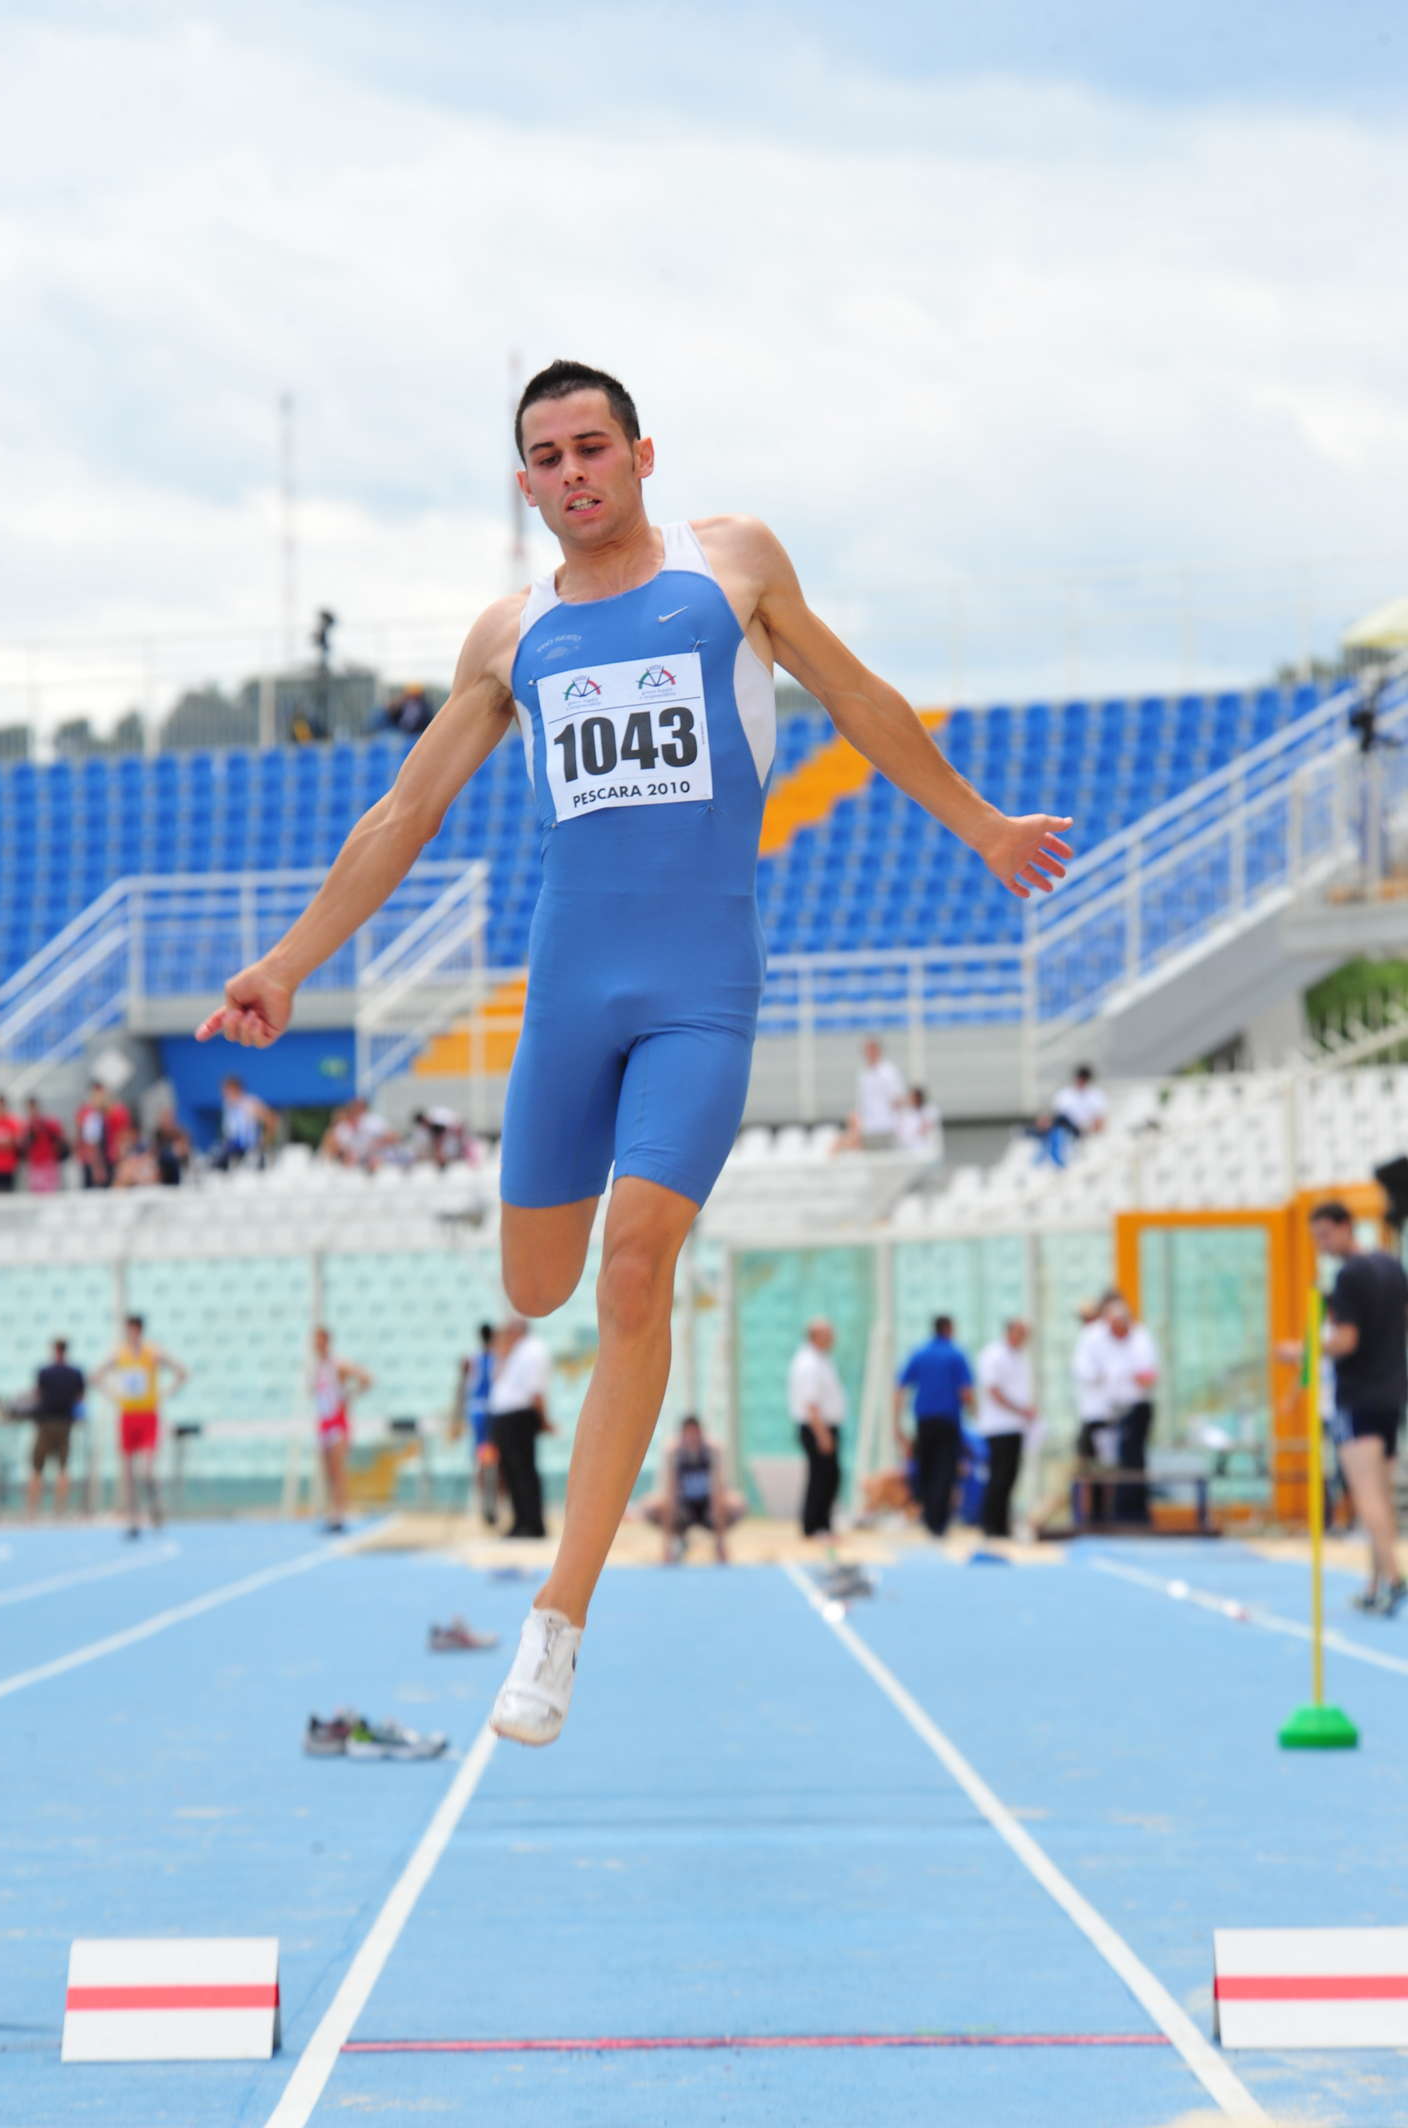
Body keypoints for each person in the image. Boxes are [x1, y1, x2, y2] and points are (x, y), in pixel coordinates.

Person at [193, 357, 1072, 1746]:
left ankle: (559, 1618)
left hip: (698, 993)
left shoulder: (733, 569)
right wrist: (288, 963)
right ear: (525, 484)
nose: (574, 472)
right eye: (547, 457)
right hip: (568, 999)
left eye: (593, 446)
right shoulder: (513, 636)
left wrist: (982, 826)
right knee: (535, 1286)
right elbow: (403, 814)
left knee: (637, 1263)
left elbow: (859, 698)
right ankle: (564, 1544)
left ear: (642, 455)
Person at [1283, 1200, 1408, 1614]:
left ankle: (1393, 1577)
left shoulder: (1350, 1275)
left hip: (1359, 1395)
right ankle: (1375, 1582)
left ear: (1345, 1227)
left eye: (1323, 1235)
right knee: (1381, 1493)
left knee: (1367, 1494)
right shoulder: (1391, 1265)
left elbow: (1346, 1340)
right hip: (1391, 1393)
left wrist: (1301, 1351)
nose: (1320, 1245)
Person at [93, 1315, 188, 1538]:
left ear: (140, 1331)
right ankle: (133, 1520)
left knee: (146, 1470)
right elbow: (96, 1376)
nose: (131, 1334)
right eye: (128, 1330)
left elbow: (181, 1372)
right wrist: (113, 1395)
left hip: (148, 1415)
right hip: (128, 1415)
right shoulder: (120, 1354)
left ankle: (155, 1505)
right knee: (128, 1473)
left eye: (134, 1330)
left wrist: (165, 1393)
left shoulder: (152, 1352)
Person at [894, 1312, 974, 1537]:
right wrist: (974, 1413)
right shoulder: (956, 1354)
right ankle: (939, 1521)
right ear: (949, 1329)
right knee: (946, 1470)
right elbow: (966, 1392)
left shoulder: (919, 1353)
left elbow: (900, 1386)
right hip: (948, 1421)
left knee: (926, 1468)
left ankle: (929, 1517)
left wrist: (896, 1423)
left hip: (925, 1422)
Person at [642, 1414, 744, 1562]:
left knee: (737, 1504)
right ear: (682, 1435)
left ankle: (717, 1544)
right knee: (651, 1507)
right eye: (688, 1434)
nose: (692, 1438)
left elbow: (719, 1491)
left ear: (701, 1433)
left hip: (708, 1509)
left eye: (695, 1434)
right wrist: (666, 1546)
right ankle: (679, 1539)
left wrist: (721, 1542)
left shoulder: (711, 1452)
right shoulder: (675, 1453)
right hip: (684, 1509)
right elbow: (670, 1494)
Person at [488, 1316, 552, 1540]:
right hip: (507, 1416)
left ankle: (532, 1524)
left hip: (519, 1416)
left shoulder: (534, 1350)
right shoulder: (515, 1351)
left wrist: (543, 1419)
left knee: (523, 1472)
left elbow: (536, 1390)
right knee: (512, 1473)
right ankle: (521, 1521)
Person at [974, 1319, 1036, 1538]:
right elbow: (993, 1390)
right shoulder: (993, 1355)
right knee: (998, 1476)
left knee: (1010, 1477)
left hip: (1016, 1426)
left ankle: (1002, 1525)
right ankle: (989, 1524)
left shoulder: (1020, 1357)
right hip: (997, 1426)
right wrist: (1019, 1409)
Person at [1100, 1296, 1159, 1524]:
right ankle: (1125, 1512)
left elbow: (1147, 1377)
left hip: (1136, 1408)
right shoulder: (1113, 1344)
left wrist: (1129, 1377)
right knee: (1123, 1461)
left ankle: (1134, 1513)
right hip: (1119, 1410)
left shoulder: (1140, 1341)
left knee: (1133, 1462)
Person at [309, 1325, 372, 1535]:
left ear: (326, 1341)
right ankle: (332, 1512)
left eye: (319, 1340)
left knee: (338, 1470)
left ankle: (340, 1514)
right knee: (328, 1472)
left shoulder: (337, 1364)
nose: (316, 1344)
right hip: (324, 1423)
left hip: (337, 1422)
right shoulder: (318, 1367)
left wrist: (350, 1396)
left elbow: (366, 1378)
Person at [788, 1318, 847, 1539]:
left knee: (830, 1476)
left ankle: (823, 1523)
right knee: (821, 1477)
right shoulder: (808, 1363)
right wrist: (822, 1434)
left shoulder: (822, 1359)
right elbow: (810, 1403)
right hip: (817, 1427)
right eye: (827, 1334)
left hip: (824, 1426)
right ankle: (814, 1525)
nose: (832, 1338)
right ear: (815, 1336)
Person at [24, 1338, 86, 1517]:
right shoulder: (75, 1373)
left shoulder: (45, 1372)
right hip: (65, 1424)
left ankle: (32, 1510)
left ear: (54, 1350)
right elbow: (80, 1397)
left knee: (37, 1468)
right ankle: (60, 1510)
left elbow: (38, 1395)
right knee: (63, 1468)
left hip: (45, 1424)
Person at [1071, 1294, 1118, 1526]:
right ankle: (1095, 1516)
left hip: (1100, 1414)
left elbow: (1091, 1373)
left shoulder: (1095, 1336)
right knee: (1097, 1469)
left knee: (1097, 1470)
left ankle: (1095, 1517)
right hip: (1099, 1413)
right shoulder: (1096, 1337)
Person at [455, 1322, 501, 1525]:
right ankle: (489, 1504)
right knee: (491, 1459)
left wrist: (458, 1416)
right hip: (493, 1411)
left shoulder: (471, 1359)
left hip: (477, 1412)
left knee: (481, 1459)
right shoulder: (498, 1359)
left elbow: (462, 1389)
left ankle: (481, 1502)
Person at [851, 1039, 907, 1151]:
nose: (869, 1053)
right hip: (868, 1128)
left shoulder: (889, 1072)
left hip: (887, 1126)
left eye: (872, 1050)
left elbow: (899, 1099)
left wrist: (901, 1123)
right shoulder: (863, 1074)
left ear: (878, 1051)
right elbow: (861, 1102)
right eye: (867, 1051)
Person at [215, 1075, 277, 1170]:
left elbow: (271, 1120)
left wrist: (264, 1142)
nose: (224, 1093)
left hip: (249, 1150)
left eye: (226, 1090)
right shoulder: (227, 1105)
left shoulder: (249, 1103)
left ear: (235, 1089)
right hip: (232, 1148)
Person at [23, 1098, 68, 1193]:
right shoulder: (27, 1126)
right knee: (36, 1192)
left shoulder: (48, 1124)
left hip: (48, 1164)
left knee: (50, 1193)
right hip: (34, 1165)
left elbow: (60, 1139)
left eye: (33, 1108)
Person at [0, 1091, 23, 1193]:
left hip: (9, 1166)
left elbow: (15, 1143)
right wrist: (5, 1143)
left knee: (9, 1195)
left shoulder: (13, 1123)